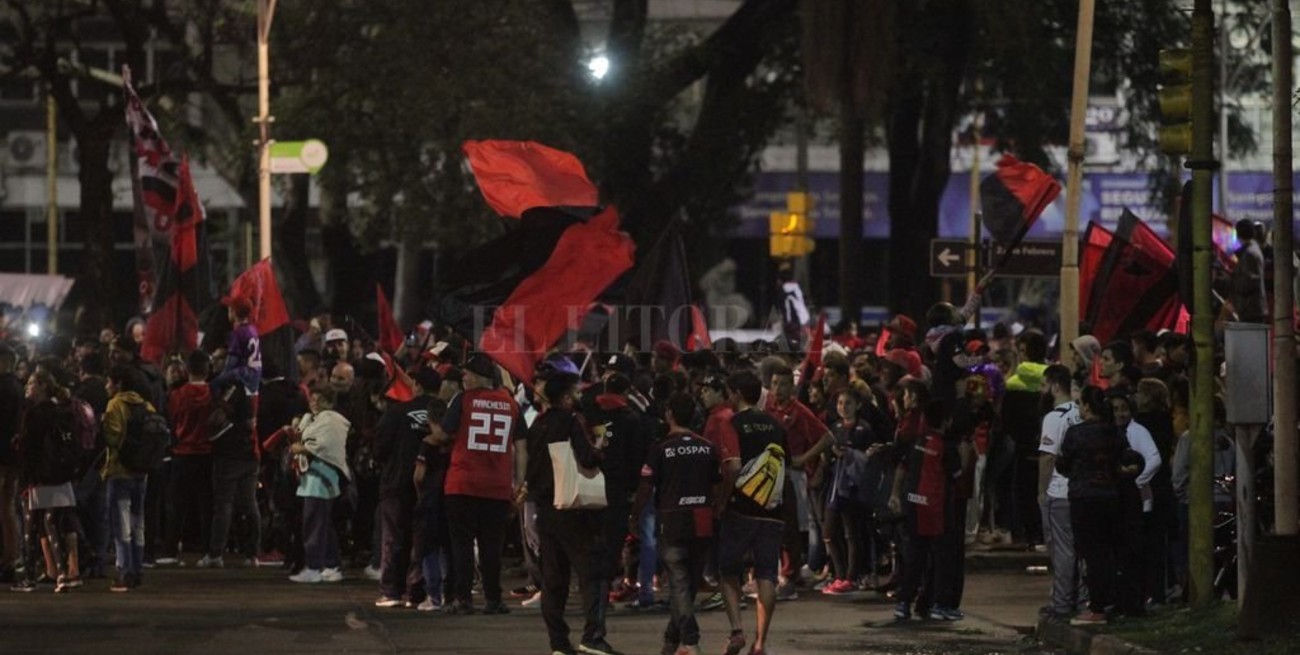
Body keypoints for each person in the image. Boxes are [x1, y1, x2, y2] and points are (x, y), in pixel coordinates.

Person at [526, 371, 621, 655]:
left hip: (546, 509)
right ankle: (593, 636)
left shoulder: (538, 424)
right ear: (566, 397)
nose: (580, 396)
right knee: (593, 573)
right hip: (573, 508)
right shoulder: (571, 421)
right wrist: (600, 446)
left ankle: (558, 642)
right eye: (576, 392)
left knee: (554, 580)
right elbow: (588, 458)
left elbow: (531, 466)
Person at [429, 354, 522, 616]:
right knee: (492, 546)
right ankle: (493, 599)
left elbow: (443, 434)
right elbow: (522, 446)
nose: (464, 379)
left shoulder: (464, 400)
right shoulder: (511, 404)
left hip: (463, 483)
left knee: (462, 545)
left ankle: (463, 598)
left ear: (480, 377)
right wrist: (519, 481)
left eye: (467, 374)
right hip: (497, 486)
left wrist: (432, 426)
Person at [630, 392, 721, 655]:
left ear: (669, 414)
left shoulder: (661, 448)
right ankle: (672, 639)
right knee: (688, 583)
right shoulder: (707, 447)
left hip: (673, 518)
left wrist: (634, 515)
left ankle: (690, 639)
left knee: (680, 581)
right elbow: (717, 484)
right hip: (702, 518)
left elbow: (646, 486)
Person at [716, 370, 786, 655]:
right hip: (773, 510)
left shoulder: (732, 423)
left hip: (740, 509)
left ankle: (737, 632)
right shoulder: (776, 424)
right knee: (767, 574)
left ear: (736, 394)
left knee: (727, 571)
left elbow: (733, 466)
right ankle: (760, 643)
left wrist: (722, 499)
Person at [1056, 386, 1128, 625]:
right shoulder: (1114, 432)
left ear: (1087, 406)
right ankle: (1110, 601)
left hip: (1084, 497)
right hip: (1111, 496)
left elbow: (1063, 463)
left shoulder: (1076, 433)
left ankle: (1097, 607)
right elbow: (1124, 458)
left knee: (1092, 553)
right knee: (1107, 551)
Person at [373, 367, 441, 608]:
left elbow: (379, 448)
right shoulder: (444, 413)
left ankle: (392, 591)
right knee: (425, 539)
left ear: (417, 385)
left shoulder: (397, 412)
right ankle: (418, 591)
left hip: (397, 482)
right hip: (433, 484)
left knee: (394, 537)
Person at [11, 370, 78, 593]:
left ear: (42, 387)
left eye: (31, 383)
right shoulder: (61, 411)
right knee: (53, 524)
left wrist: (25, 475)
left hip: (38, 476)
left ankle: (29, 577)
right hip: (60, 475)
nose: (27, 387)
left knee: (31, 526)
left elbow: (29, 448)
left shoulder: (33, 414)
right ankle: (62, 574)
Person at [288, 386, 351, 583]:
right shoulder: (313, 419)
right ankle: (332, 565)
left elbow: (323, 446)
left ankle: (314, 567)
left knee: (313, 523)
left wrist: (301, 448)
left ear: (330, 402)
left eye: (320, 400)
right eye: (312, 399)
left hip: (322, 479)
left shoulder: (332, 421)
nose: (314, 403)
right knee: (323, 523)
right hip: (312, 479)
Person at [1036, 365, 1084, 620]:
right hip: (1080, 490)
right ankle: (1081, 599)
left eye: (1044, 385)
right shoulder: (1080, 412)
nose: (1041, 390)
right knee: (1079, 548)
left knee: (1061, 550)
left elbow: (1047, 458)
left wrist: (1041, 492)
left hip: (1059, 491)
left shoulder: (1054, 418)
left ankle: (1062, 603)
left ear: (1055, 386)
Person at [101, 365, 155, 592]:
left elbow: (113, 438)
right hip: (141, 472)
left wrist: (103, 424)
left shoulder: (115, 405)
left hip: (119, 471)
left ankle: (125, 571)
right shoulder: (146, 406)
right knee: (138, 522)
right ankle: (138, 568)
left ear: (119, 384)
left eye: (109, 382)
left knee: (121, 525)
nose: (106, 386)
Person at [161, 350, 214, 565]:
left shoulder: (177, 395)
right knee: (207, 505)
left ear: (187, 369)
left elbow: (172, 420)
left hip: (182, 453)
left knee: (176, 504)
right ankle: (209, 550)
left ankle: (171, 550)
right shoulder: (213, 393)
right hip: (207, 453)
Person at [0, 344, 25, 581]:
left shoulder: (4, 387)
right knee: (8, 508)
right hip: (14, 456)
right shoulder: (19, 386)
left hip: (2, 456)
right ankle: (12, 558)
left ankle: (7, 559)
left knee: (5, 508)